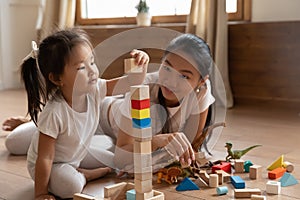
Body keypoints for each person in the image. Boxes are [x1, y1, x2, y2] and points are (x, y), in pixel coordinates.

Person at [20, 28, 149, 199]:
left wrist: (142, 65)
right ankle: (85, 175)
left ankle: (81, 171)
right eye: (81, 67)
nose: (92, 71)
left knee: (116, 161)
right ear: (57, 79)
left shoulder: (94, 90)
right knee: (70, 187)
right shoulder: (54, 112)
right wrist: (41, 193)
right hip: (53, 165)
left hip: (76, 155)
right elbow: (45, 157)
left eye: (92, 62)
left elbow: (131, 82)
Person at [113, 33, 215, 173]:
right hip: (108, 113)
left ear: (201, 81)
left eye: (184, 76)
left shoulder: (202, 90)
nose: (170, 81)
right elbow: (120, 157)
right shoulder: (141, 90)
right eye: (167, 68)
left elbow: (190, 148)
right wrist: (155, 142)